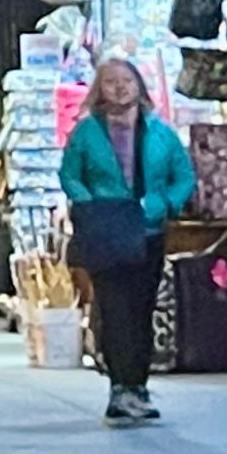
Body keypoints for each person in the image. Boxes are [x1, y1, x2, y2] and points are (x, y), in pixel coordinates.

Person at [61, 55, 197, 425]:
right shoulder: (87, 133)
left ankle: (137, 384)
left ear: (139, 85)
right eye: (110, 81)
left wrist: (164, 203)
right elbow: (70, 174)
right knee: (113, 308)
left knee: (141, 309)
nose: (120, 87)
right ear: (99, 90)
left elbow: (183, 176)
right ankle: (121, 386)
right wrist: (91, 203)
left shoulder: (161, 133)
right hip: (106, 230)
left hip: (147, 230)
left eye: (126, 80)